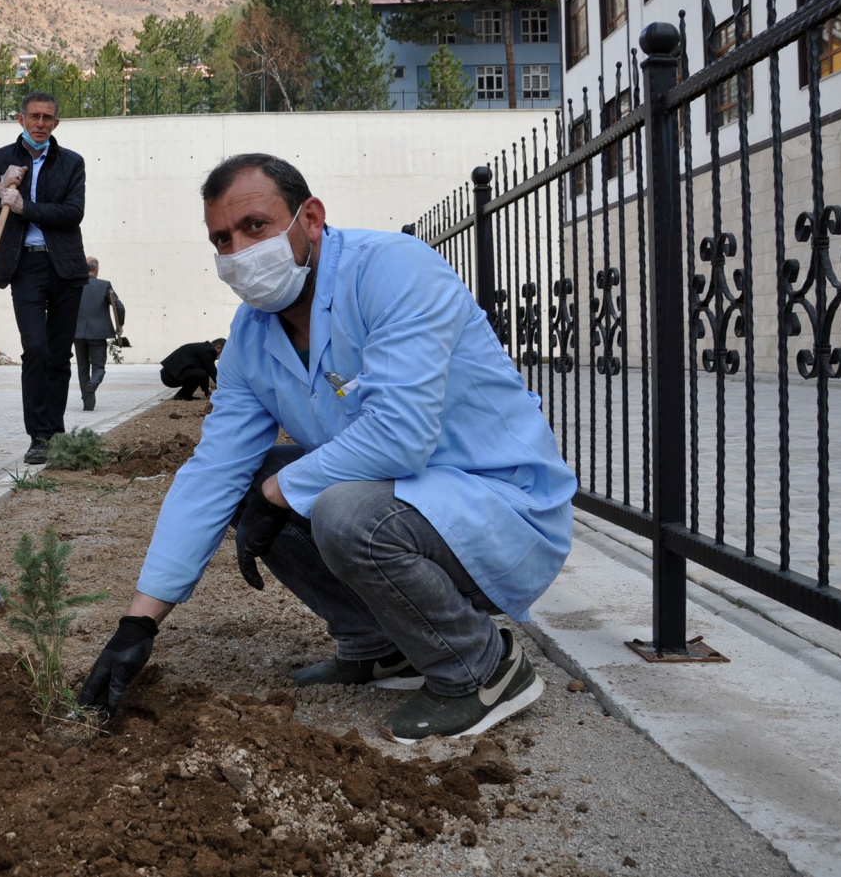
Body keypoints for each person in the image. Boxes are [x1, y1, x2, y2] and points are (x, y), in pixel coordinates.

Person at [80, 153, 576, 744]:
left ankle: (482, 667)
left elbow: (400, 433)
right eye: (222, 239)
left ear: (310, 218)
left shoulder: (391, 271)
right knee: (252, 480)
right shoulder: (250, 335)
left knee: (342, 513)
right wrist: (138, 624)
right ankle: (381, 646)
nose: (238, 252)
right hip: (409, 501)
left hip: (500, 507)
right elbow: (213, 470)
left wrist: (278, 491)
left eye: (255, 227)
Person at [0, 92, 87, 464]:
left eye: (47, 118)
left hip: (64, 266)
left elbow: (73, 213)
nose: (40, 123)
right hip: (25, 267)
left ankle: (55, 431)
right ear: (21, 119)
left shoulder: (71, 163)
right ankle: (38, 435)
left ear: (56, 123)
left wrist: (25, 207)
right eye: (33, 116)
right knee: (35, 348)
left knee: (59, 354)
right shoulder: (1, 160)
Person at [73, 257, 126, 411]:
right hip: (98, 332)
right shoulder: (104, 285)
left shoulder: (74, 285)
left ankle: (87, 404)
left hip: (77, 332)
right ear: (96, 270)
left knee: (82, 368)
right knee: (98, 367)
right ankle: (93, 383)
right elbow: (119, 307)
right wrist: (119, 325)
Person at [159, 339, 224, 400]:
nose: (220, 355)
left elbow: (204, 370)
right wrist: (224, 388)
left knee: (201, 373)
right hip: (170, 377)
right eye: (222, 352)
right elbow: (211, 371)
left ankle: (184, 395)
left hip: (169, 375)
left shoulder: (204, 348)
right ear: (218, 348)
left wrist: (206, 389)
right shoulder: (207, 351)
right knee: (201, 374)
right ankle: (182, 395)